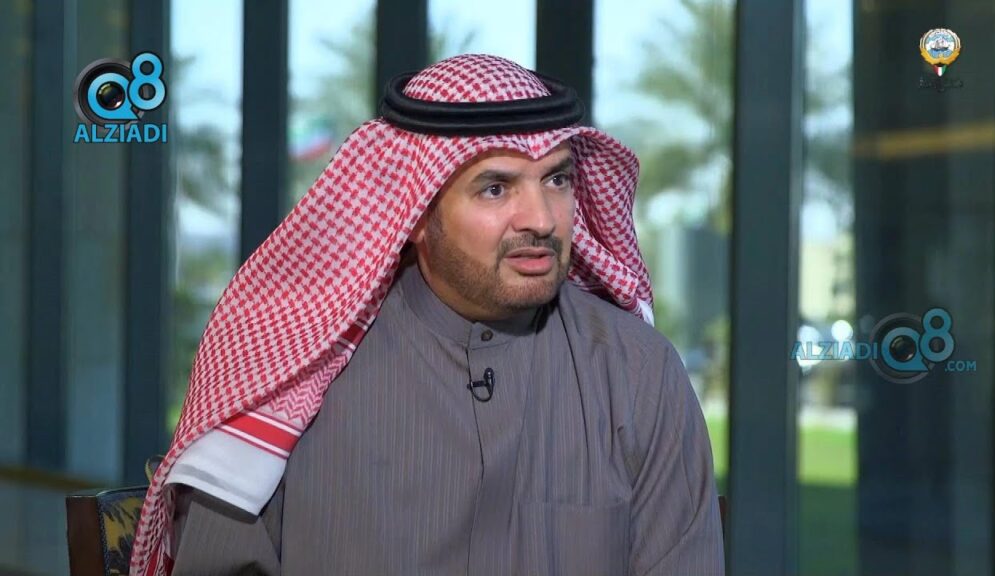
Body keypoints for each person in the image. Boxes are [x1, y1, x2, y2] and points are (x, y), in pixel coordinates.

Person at [131, 54, 724, 576]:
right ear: (415, 214)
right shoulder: (290, 375)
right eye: (496, 188)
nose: (541, 219)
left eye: (557, 179)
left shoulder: (638, 373)